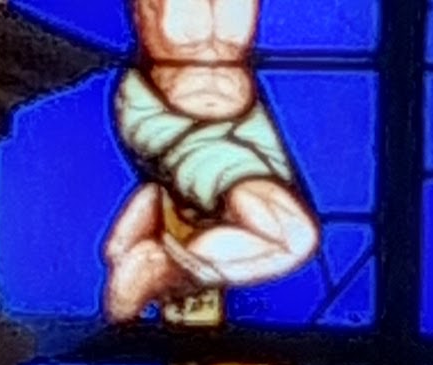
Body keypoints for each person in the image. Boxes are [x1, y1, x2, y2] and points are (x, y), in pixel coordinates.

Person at [104, 0, 321, 319]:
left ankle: (160, 244)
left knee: (284, 224)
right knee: (292, 235)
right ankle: (160, 267)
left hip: (249, 123)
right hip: (175, 121)